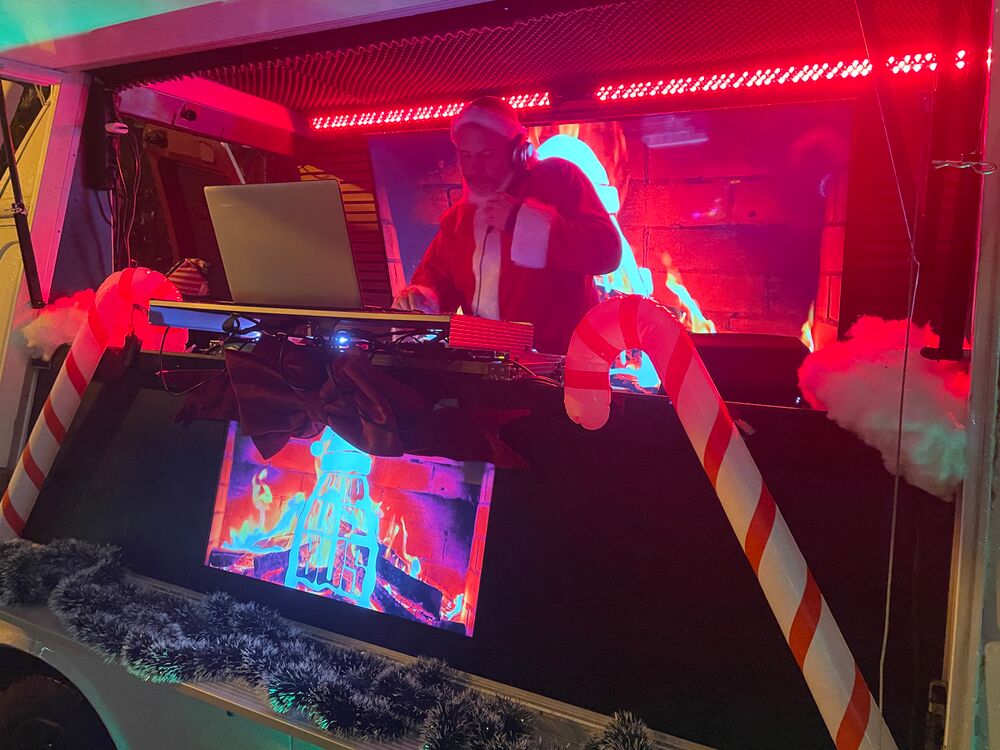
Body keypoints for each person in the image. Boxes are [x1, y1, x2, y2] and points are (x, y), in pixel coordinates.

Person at [392, 97, 622, 354]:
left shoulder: (558, 178)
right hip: (486, 367)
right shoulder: (460, 218)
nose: (474, 169)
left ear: (517, 152)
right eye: (466, 156)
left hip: (561, 366)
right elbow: (435, 279)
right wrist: (421, 300)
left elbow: (607, 252)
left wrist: (521, 221)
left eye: (486, 155)